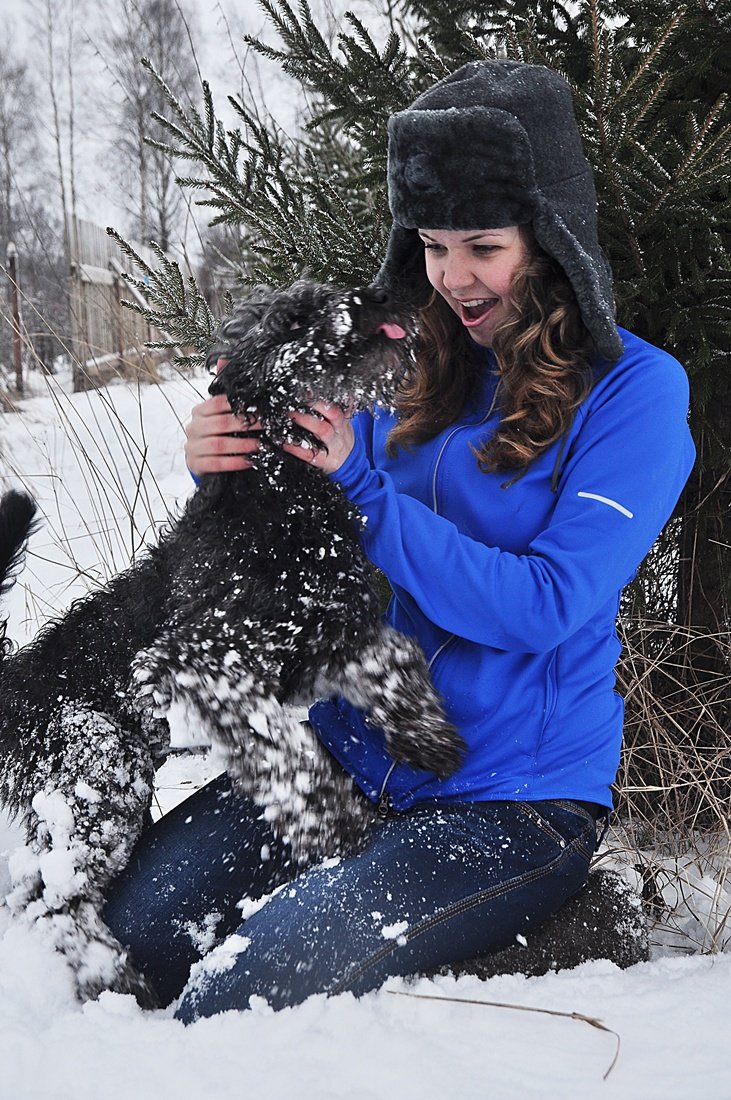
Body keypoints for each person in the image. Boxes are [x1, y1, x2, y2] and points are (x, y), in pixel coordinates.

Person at [104, 60, 695, 1021]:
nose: (452, 278)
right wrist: (228, 465)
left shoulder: (635, 391)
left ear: (549, 240)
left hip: (512, 798)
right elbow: (296, 530)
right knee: (135, 937)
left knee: (240, 998)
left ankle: (567, 927)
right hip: (348, 755)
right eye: (430, 246)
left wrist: (366, 495)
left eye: (483, 247)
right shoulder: (402, 361)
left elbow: (545, 606)